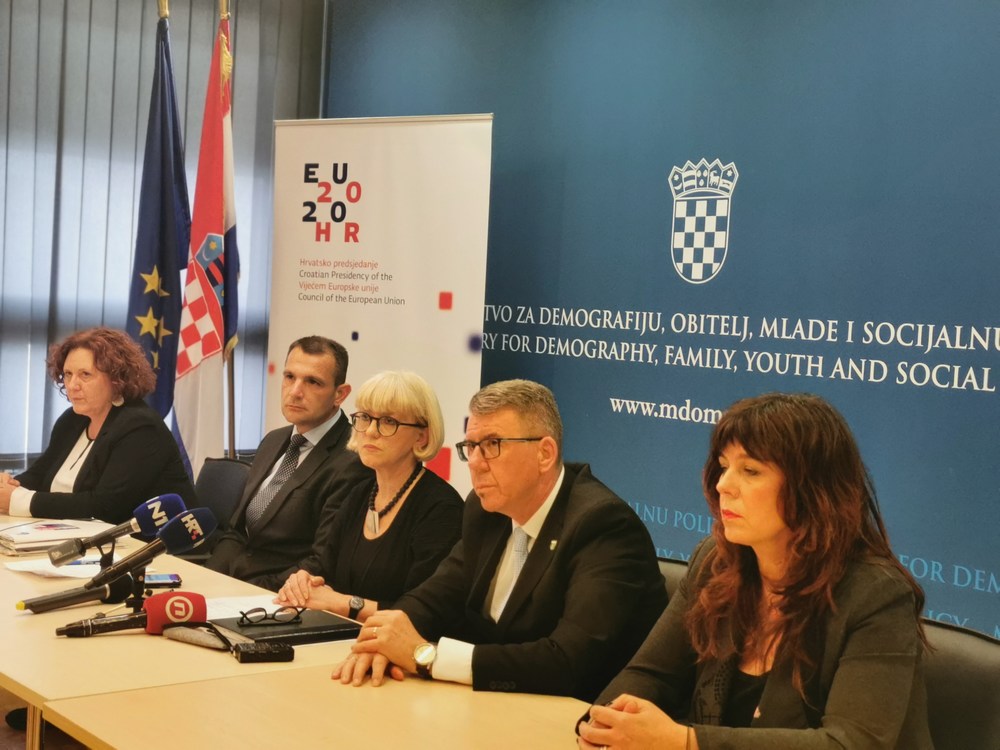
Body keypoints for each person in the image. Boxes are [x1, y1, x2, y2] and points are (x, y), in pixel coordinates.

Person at [577, 392, 933, 750]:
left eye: (750, 471)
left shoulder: (877, 595)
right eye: (723, 466)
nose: (723, 484)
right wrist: (607, 725)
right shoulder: (715, 562)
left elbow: (851, 743)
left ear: (812, 489)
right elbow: (651, 674)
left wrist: (684, 741)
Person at [336, 379, 667, 702]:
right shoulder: (485, 510)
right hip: (495, 703)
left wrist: (427, 657)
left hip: (579, 715)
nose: (475, 463)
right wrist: (383, 640)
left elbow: (567, 660)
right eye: (471, 447)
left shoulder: (601, 525)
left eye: (493, 445)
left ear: (545, 454)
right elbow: (436, 595)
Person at [274, 371, 463, 623]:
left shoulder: (441, 509)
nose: (371, 431)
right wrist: (303, 581)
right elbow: (323, 569)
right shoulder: (359, 493)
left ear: (422, 436)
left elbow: (425, 612)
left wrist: (344, 604)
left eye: (388, 421)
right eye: (364, 417)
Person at [206, 336, 371, 591]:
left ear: (340, 394)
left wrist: (245, 590)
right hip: (232, 586)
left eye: (313, 382)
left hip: (278, 597)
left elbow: (320, 562)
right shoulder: (273, 440)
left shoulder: (353, 460)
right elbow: (236, 531)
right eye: (290, 377)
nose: (295, 392)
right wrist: (208, 581)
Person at [0, 326, 195, 522]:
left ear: (116, 379)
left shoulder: (140, 427)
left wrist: (19, 500)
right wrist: (10, 485)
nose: (72, 385)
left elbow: (105, 507)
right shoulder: (73, 420)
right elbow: (40, 475)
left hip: (157, 538)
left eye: (85, 374)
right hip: (77, 533)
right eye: (68, 374)